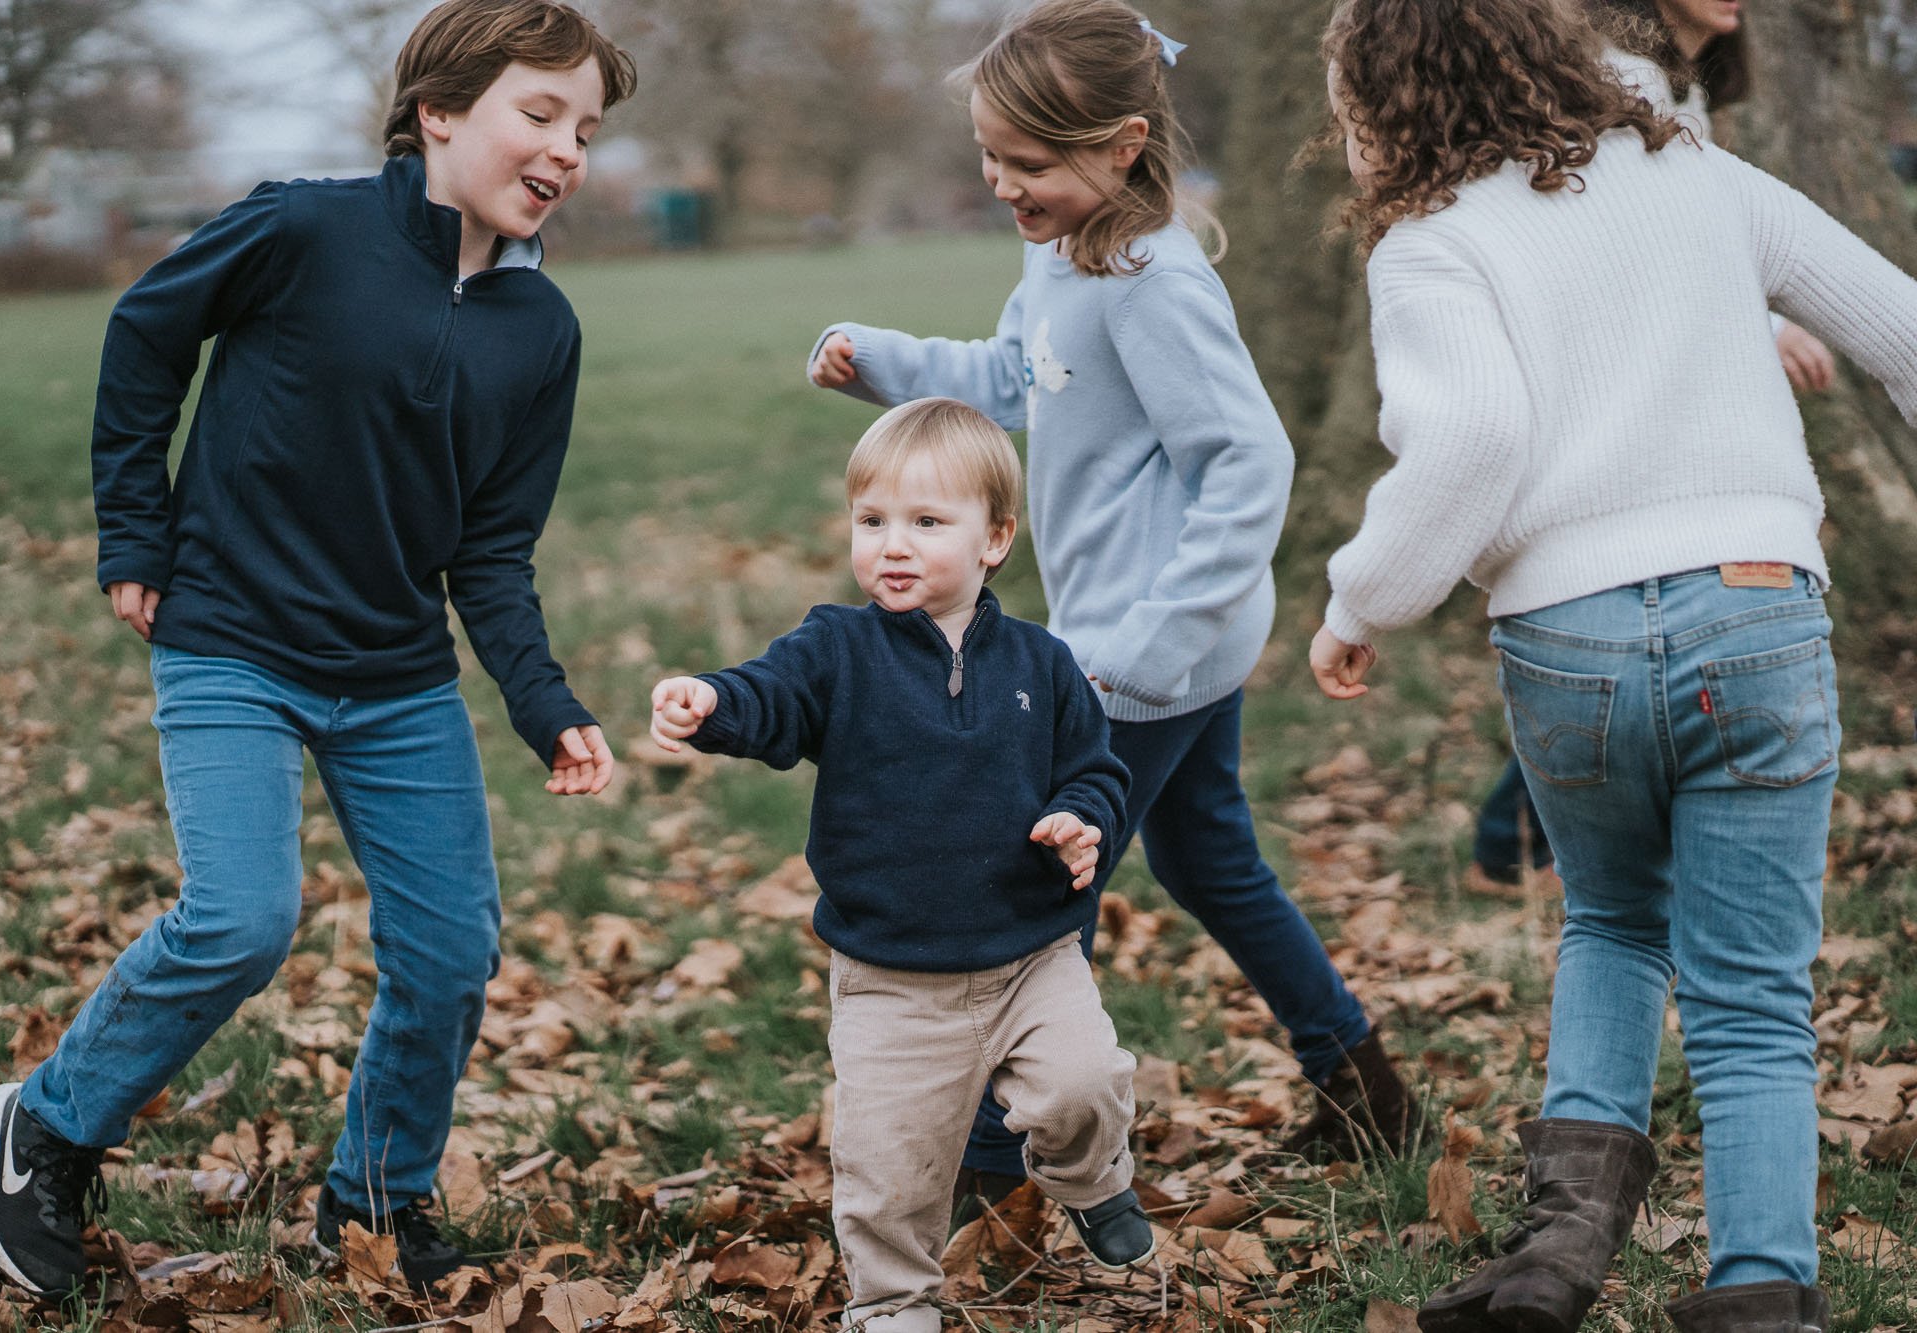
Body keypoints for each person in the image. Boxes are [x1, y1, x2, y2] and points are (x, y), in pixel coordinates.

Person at [0, 0, 634, 1299]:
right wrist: (134, 531)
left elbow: (492, 552)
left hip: (395, 676)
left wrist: (545, 701)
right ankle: (48, 1124)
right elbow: (145, 334)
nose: (566, 150)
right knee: (242, 917)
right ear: (441, 113)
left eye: (588, 130)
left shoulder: (540, 334)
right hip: (230, 634)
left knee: (448, 953)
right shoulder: (302, 227)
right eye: (541, 113)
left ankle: (374, 1202)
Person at [1311, 0, 1917, 1328]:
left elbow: (1467, 443)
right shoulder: (1697, 170)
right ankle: (1762, 1289)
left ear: (1387, 100)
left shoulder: (1429, 239)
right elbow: (1903, 332)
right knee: (1753, 994)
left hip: (1569, 638)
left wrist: (1360, 602)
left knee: (1611, 922)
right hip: (1758, 605)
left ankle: (1552, 1260)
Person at [807, 0, 1419, 1192]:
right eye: (990, 157)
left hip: (1144, 657)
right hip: (1137, 649)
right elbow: (1009, 378)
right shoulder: (1061, 252)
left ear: (1122, 142)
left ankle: (988, 1173)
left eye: (1027, 163)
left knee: (1038, 886)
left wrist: (1146, 647)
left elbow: (1248, 464)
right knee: (1208, 860)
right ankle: (1362, 1086)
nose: (1000, 183)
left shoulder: (1149, 278)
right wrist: (881, 360)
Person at [651, 397, 1151, 1333]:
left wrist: (1080, 821)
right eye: (872, 520)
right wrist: (710, 700)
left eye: (927, 522)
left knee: (1084, 1084)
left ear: (996, 537)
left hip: (1033, 955)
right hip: (891, 977)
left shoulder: (1043, 663)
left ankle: (1090, 1178)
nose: (894, 544)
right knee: (888, 1166)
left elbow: (1095, 772)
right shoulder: (837, 647)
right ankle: (894, 1303)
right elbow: (772, 698)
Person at [1471, 0, 1839, 887]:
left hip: (1704, 540)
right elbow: (1627, 242)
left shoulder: (1690, 102)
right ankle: (1504, 838)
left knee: (1617, 912)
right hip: (1631, 505)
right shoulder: (1601, 89)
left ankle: (1527, 838)